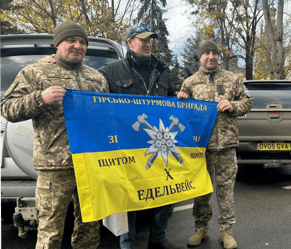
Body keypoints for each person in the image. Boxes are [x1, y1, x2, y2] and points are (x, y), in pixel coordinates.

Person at [1, 20, 107, 249]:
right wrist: (40, 98)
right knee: (50, 230)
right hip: (55, 165)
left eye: (82, 42)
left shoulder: (97, 78)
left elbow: (107, 116)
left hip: (90, 162)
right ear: (58, 43)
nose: (77, 46)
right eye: (71, 40)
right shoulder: (35, 72)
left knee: (90, 226)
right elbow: (7, 108)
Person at [98, 25, 179, 249]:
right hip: (127, 146)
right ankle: (128, 243)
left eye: (150, 39)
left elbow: (171, 97)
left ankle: (158, 240)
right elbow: (89, 96)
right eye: (142, 39)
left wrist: (179, 97)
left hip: (159, 144)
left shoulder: (161, 71)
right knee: (128, 196)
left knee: (164, 193)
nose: (147, 43)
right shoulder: (110, 72)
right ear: (129, 42)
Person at [177, 40, 253, 249]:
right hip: (200, 148)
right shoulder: (190, 83)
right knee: (201, 190)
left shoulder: (232, 79)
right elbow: (182, 115)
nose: (211, 56)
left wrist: (234, 105)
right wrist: (181, 100)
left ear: (218, 57)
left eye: (214, 53)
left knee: (225, 190)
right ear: (199, 57)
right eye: (206, 53)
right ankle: (200, 229)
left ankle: (226, 231)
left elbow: (248, 101)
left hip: (226, 146)